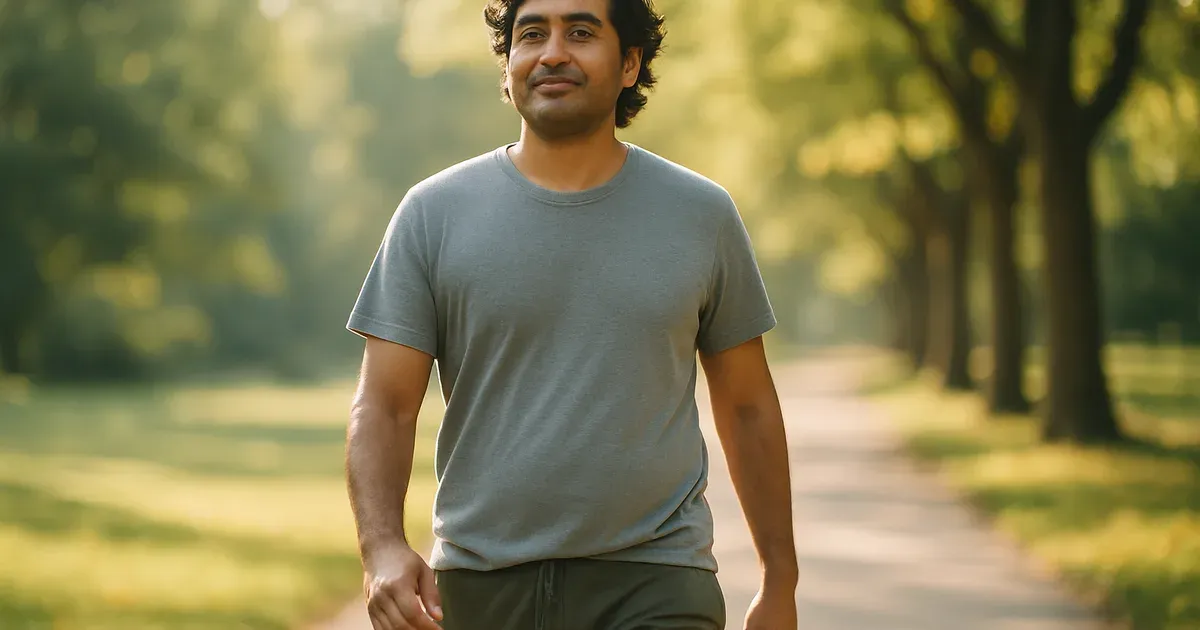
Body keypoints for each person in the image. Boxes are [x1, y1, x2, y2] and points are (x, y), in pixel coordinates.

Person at [344, 0, 798, 628]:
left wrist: (779, 581)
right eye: (532, 34)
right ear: (508, 66)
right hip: (481, 586)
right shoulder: (431, 215)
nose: (552, 52)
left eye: (581, 32)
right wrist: (382, 548)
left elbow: (747, 407)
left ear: (630, 63)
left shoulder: (701, 215)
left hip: (658, 581)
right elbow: (384, 405)